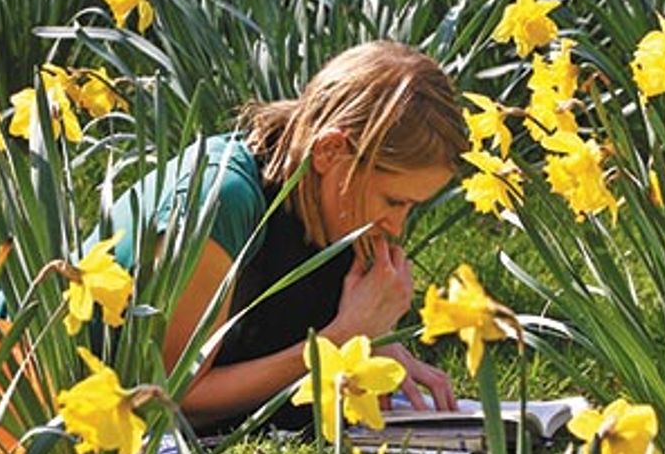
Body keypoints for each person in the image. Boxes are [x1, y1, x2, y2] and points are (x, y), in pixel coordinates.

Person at [100, 40, 466, 432]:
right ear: (330, 150)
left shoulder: (318, 203)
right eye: (394, 201)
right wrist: (338, 339)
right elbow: (169, 398)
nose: (397, 227)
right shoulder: (220, 203)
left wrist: (372, 344)